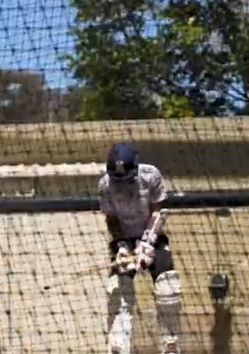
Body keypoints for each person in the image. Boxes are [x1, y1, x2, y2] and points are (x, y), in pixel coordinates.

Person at [100, 143, 180, 354]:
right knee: (118, 290)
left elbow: (159, 210)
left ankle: (170, 345)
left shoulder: (150, 175)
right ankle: (118, 347)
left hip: (153, 237)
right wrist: (122, 246)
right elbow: (112, 218)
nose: (121, 184)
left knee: (168, 288)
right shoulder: (105, 184)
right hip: (124, 238)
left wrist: (147, 243)